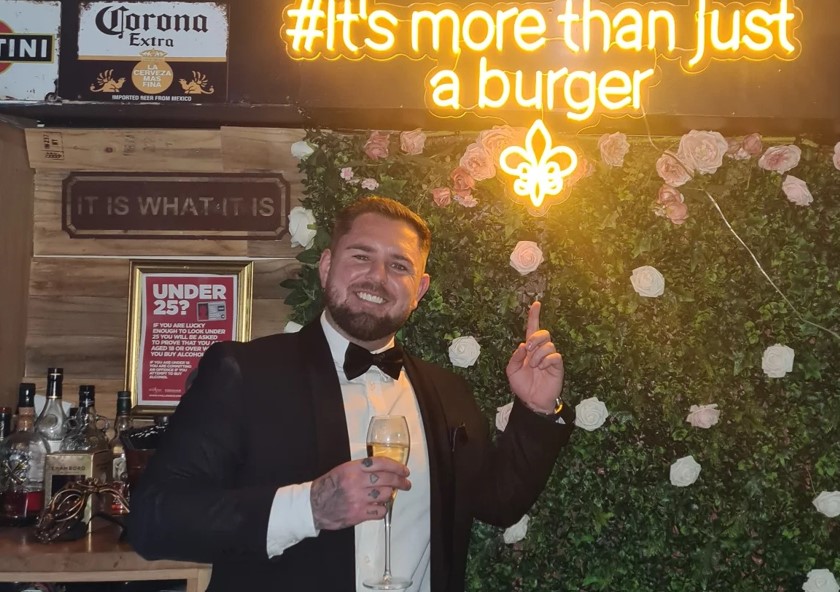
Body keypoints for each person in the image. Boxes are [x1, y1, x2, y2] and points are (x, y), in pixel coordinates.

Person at [127, 196, 575, 592]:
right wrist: (310, 507)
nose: (377, 277)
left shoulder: (448, 390)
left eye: (399, 265)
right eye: (361, 257)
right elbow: (156, 519)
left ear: (418, 290)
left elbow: (498, 503)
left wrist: (536, 410)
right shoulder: (243, 372)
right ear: (326, 267)